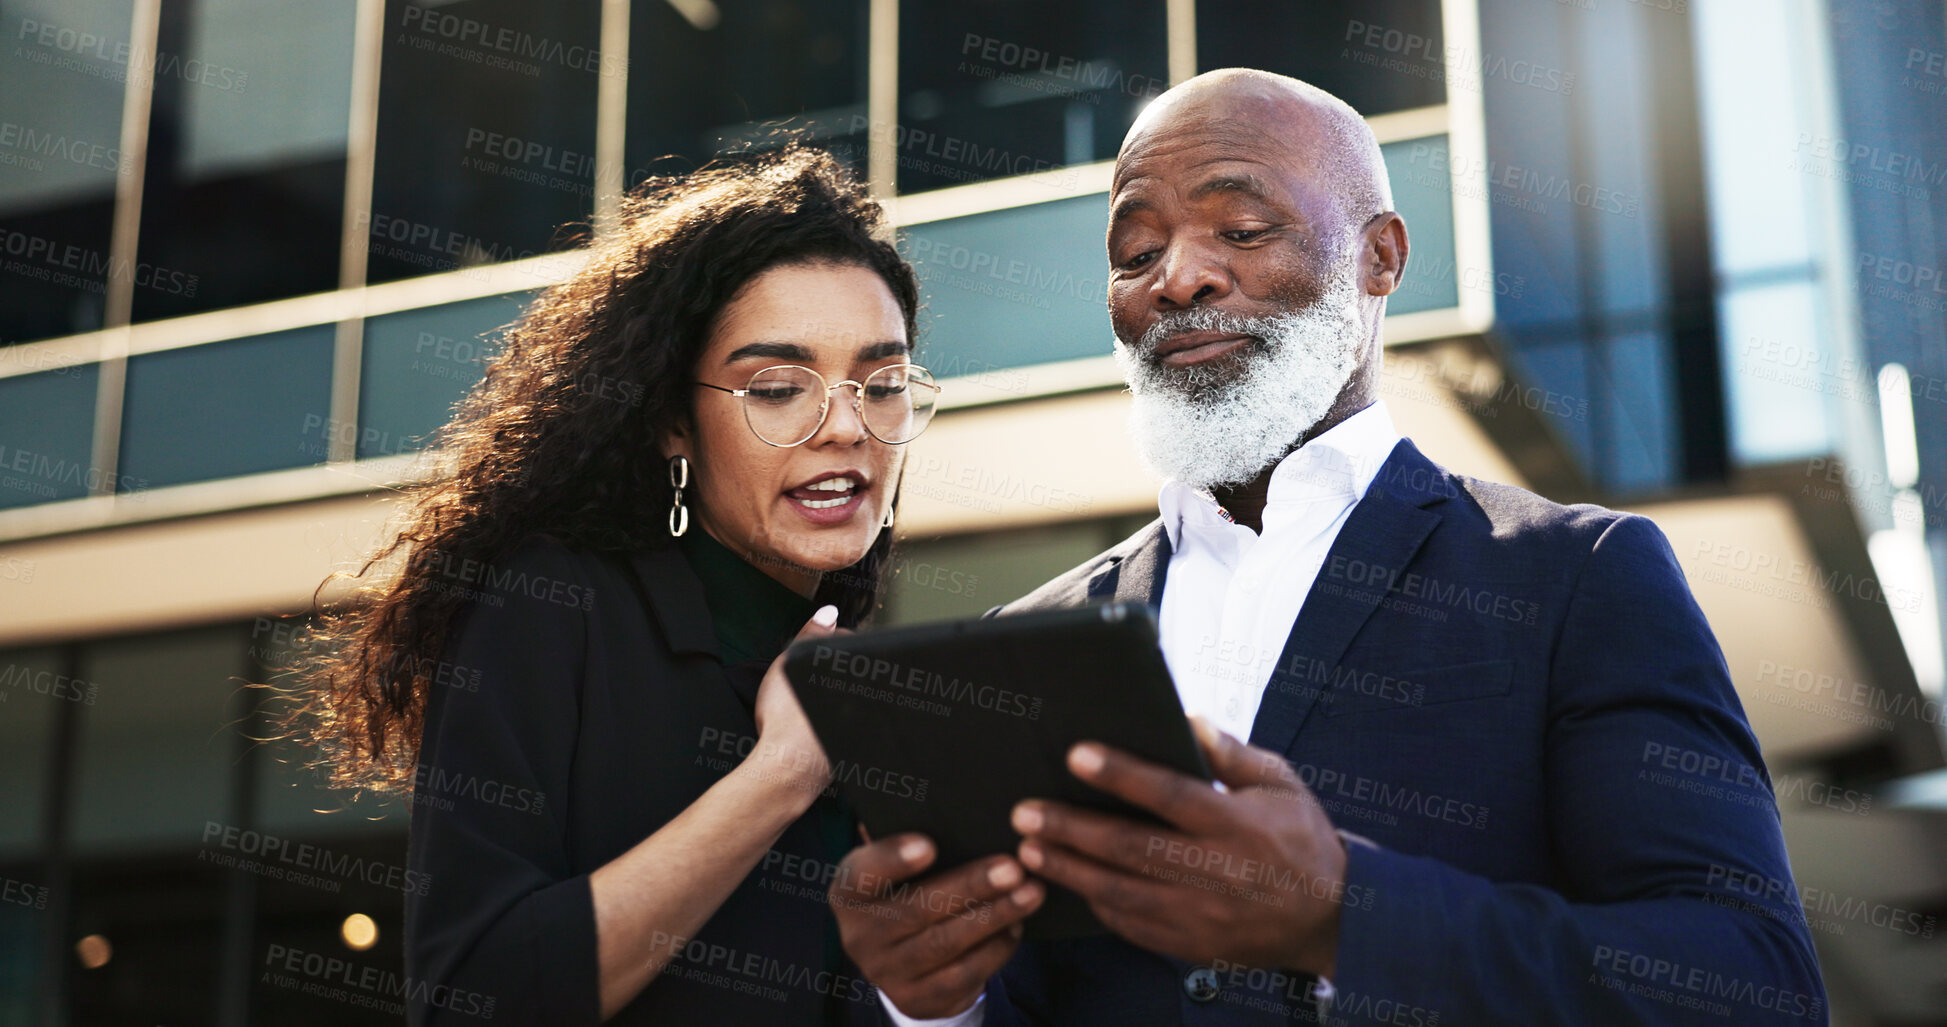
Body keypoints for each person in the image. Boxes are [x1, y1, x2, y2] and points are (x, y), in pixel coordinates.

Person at [828, 69, 1826, 1025]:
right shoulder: (1031, 637)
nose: (1178, 278)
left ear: (1380, 257)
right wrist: (937, 999)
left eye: (1243, 228)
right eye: (1134, 252)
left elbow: (1750, 983)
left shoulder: (1577, 577)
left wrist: (1347, 918)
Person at [289, 146, 941, 1024]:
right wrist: (776, 775)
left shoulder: (856, 665)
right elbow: (469, 1000)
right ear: (672, 419)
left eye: (883, 383)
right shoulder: (549, 604)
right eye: (780, 387)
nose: (844, 427)